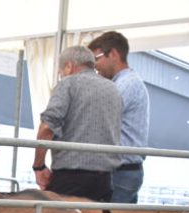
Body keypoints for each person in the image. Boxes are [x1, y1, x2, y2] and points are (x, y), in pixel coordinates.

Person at [32, 46, 122, 202]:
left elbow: (47, 127)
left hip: (70, 179)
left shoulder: (67, 84)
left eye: (61, 72)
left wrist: (38, 166)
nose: (61, 76)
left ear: (69, 66)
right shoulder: (113, 89)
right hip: (104, 181)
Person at [88, 31, 150, 204]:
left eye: (97, 58)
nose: (95, 66)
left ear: (113, 54)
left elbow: (98, 120)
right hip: (122, 172)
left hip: (121, 173)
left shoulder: (126, 84)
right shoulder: (123, 83)